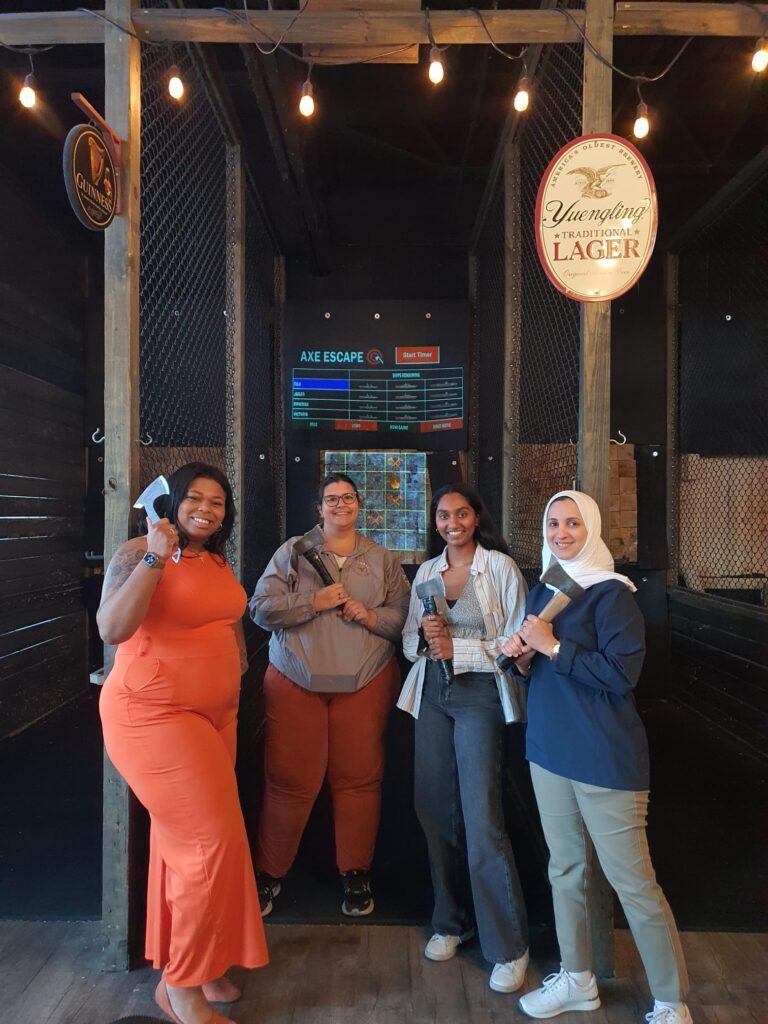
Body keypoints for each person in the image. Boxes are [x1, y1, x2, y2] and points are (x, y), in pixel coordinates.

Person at [501, 490, 692, 1024]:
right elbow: (535, 668)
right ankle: (578, 981)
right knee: (565, 870)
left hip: (605, 758)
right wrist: (520, 657)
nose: (561, 533)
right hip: (548, 751)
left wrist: (554, 647)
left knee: (633, 883)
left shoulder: (613, 596)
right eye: (553, 524)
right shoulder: (546, 586)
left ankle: (671, 1001)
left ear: (593, 529)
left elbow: (620, 676)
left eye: (573, 524)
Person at [98, 463, 267, 1024]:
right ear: (171, 502)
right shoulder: (136, 553)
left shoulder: (215, 559)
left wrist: (233, 683)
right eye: (195, 497)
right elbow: (111, 628)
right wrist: (153, 554)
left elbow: (224, 622)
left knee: (194, 846)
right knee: (205, 844)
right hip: (152, 714)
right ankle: (180, 987)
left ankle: (205, 958)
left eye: (218, 502)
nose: (207, 509)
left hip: (215, 717)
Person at [249, 472, 410, 917]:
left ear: (360, 505)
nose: (340, 505)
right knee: (288, 781)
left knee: (359, 779)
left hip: (365, 682)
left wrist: (371, 616)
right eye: (331, 499)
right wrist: (312, 603)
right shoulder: (291, 553)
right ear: (318, 508)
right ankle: (269, 874)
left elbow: (404, 619)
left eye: (348, 498)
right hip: (295, 681)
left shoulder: (382, 559)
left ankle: (355, 873)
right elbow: (260, 609)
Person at [398, 483, 530, 994]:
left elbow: (517, 642)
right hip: (432, 692)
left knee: (481, 817)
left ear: (476, 518)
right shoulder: (427, 573)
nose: (451, 522)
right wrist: (426, 643)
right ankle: (452, 922)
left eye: (461, 513)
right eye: (443, 515)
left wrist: (459, 648)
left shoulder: (499, 568)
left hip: (481, 694)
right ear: (435, 523)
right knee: (432, 808)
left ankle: (507, 946)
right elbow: (410, 640)